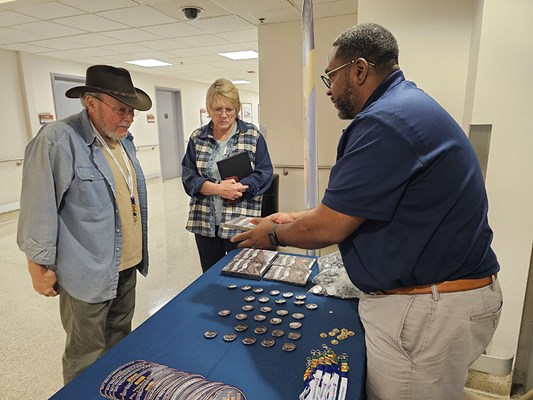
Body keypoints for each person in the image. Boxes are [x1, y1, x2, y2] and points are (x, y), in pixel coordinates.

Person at [232, 23, 502, 400]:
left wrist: (273, 235)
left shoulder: (382, 122)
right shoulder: (406, 107)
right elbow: (355, 206)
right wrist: (295, 218)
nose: (328, 89)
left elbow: (329, 227)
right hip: (444, 297)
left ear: (359, 70)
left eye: (331, 76)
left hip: (430, 307)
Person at [17, 65, 152, 384]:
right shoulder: (58, 139)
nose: (128, 117)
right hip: (87, 273)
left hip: (126, 266)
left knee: (121, 342)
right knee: (86, 354)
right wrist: (38, 266)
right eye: (121, 109)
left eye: (131, 110)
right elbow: (39, 206)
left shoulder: (123, 141)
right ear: (91, 102)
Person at [182, 78, 273, 273]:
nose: (224, 115)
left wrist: (239, 188)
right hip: (205, 223)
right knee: (210, 275)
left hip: (240, 222)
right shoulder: (197, 138)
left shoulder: (252, 135)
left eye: (229, 109)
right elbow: (188, 177)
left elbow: (264, 173)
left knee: (242, 274)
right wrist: (217, 189)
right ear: (208, 109)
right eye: (217, 109)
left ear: (237, 109)